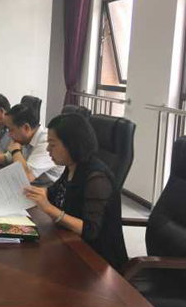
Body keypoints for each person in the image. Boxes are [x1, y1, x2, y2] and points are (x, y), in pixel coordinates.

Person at [23, 114, 128, 270]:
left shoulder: (98, 178)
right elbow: (52, 193)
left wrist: (49, 209)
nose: (48, 149)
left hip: (98, 262)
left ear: (71, 145)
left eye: (52, 144)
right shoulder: (72, 166)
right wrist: (30, 192)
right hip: (71, 244)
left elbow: (90, 231)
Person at [0, 103, 63, 186]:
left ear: (26, 128)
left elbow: (26, 177)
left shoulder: (46, 142)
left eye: (11, 130)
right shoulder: (25, 138)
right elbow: (7, 158)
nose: (9, 134)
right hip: (31, 187)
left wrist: (16, 151)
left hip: (46, 193)